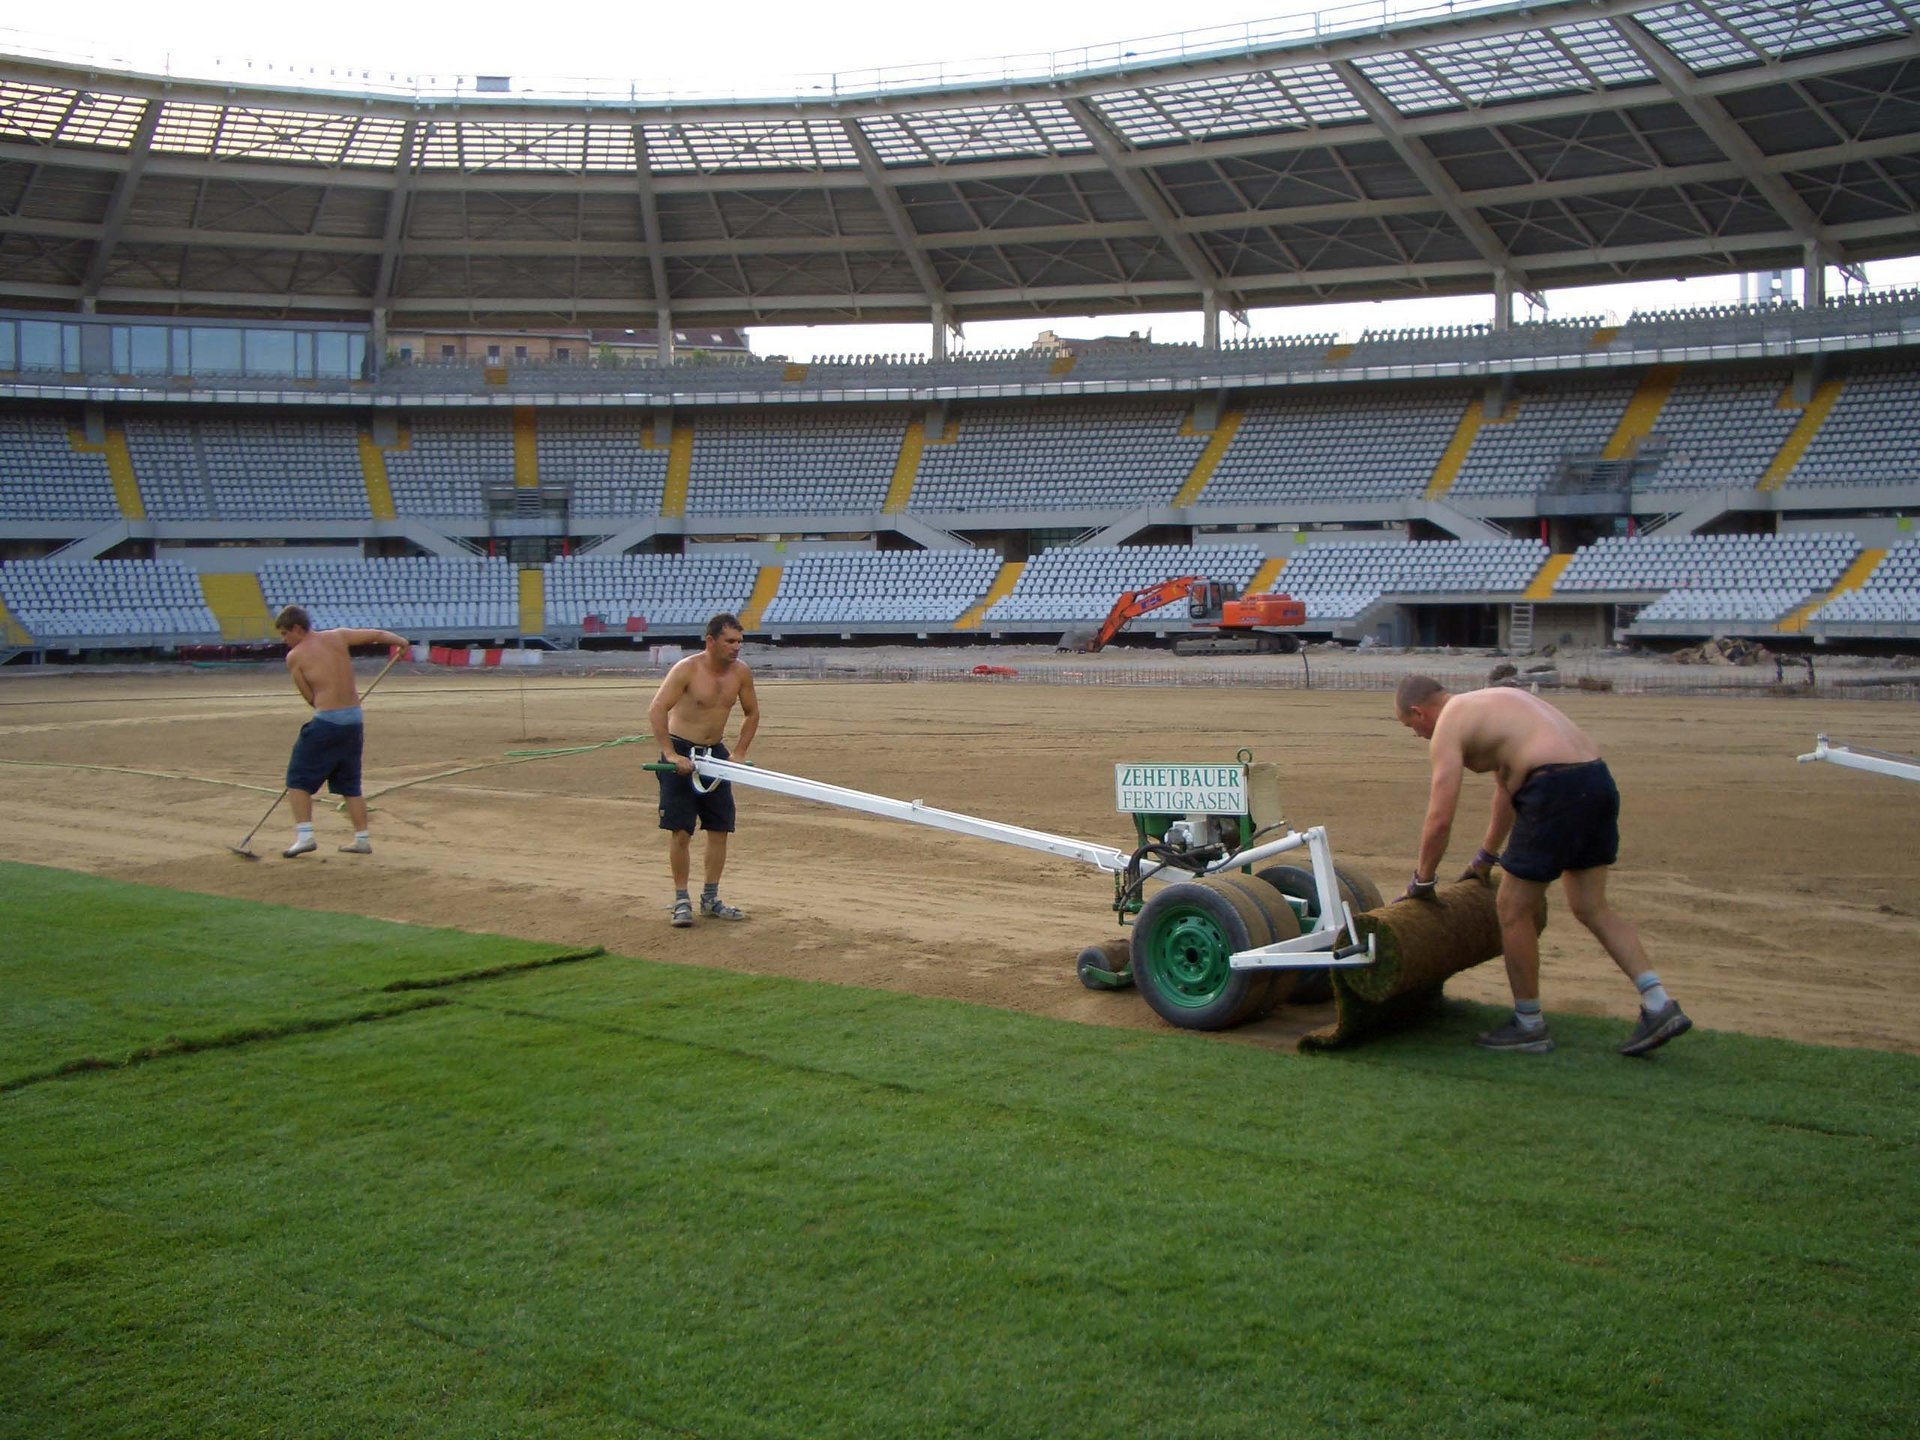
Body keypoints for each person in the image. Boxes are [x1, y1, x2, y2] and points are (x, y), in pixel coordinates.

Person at [1393, 674, 1690, 1057]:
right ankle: (1658, 1003)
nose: (1417, 735)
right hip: (1595, 781)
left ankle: (1529, 1024)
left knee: (1513, 908)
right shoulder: (1496, 704)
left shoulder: (1450, 721)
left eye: (1410, 727)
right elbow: (1507, 789)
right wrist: (1486, 857)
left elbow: (1440, 817)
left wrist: (1423, 879)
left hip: (1554, 786)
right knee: (1591, 906)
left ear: (1419, 711)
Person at [647, 612, 760, 927]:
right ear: (711, 641)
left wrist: (738, 753)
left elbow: (752, 713)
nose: (736, 647)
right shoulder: (687, 669)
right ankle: (681, 899)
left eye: (739, 641)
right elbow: (657, 708)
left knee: (720, 828)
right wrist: (670, 753)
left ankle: (710, 898)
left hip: (716, 756)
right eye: (730, 641)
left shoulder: (741, 673)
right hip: (682, 751)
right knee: (681, 830)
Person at [275, 605, 409, 858]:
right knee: (350, 785)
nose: (284, 640)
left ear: (297, 628)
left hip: (327, 721)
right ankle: (362, 839)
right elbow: (378, 635)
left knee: (297, 779)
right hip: (353, 721)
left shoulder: (296, 655)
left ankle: (305, 836)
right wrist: (401, 642)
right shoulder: (338, 636)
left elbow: (310, 698)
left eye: (284, 633)